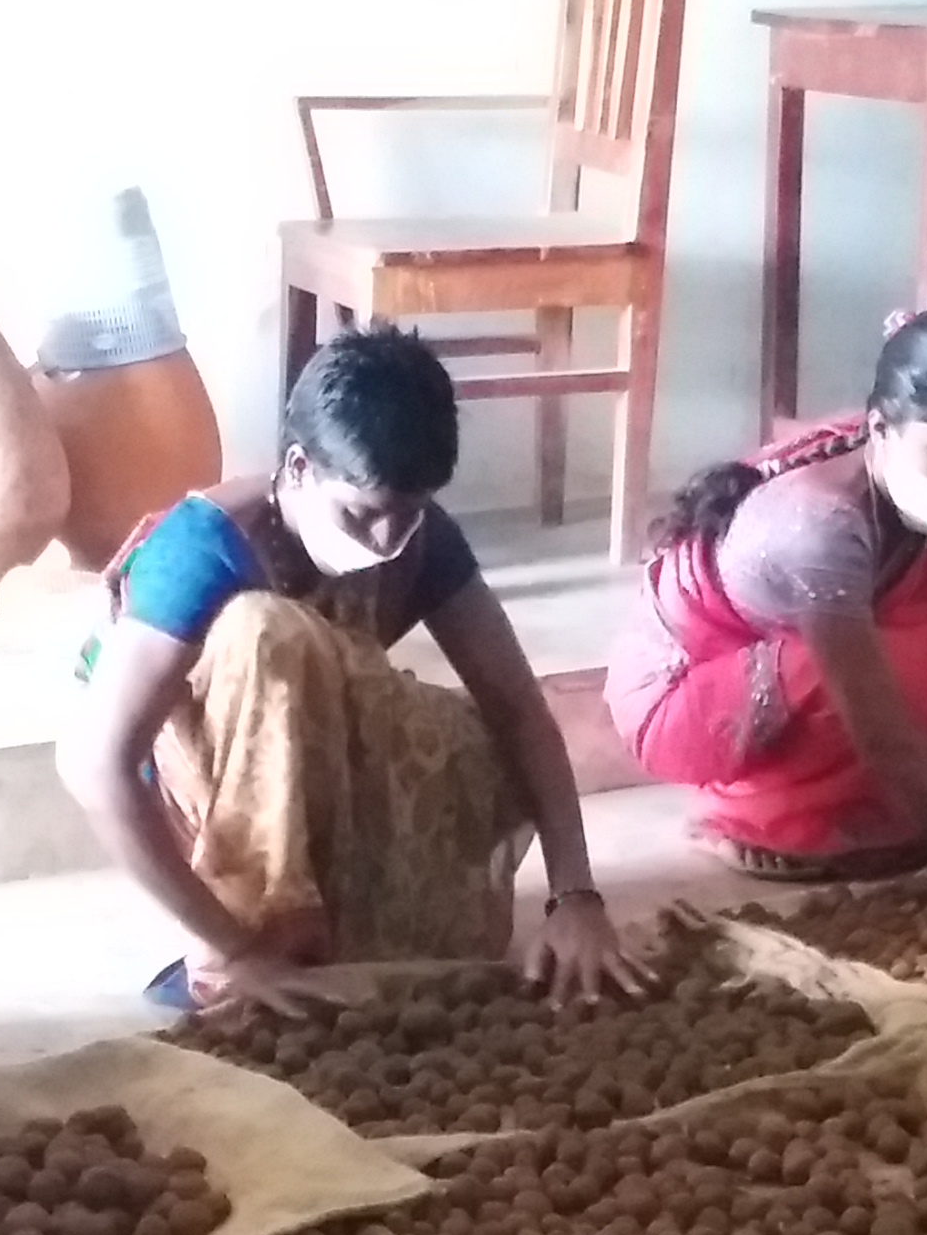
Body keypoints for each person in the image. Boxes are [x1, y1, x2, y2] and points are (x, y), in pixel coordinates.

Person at [63, 325, 647, 1011]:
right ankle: (255, 947)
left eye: (409, 513)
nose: (387, 539)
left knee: (479, 744)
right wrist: (237, 948)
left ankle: (347, 932)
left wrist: (575, 895)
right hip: (199, 775)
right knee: (269, 634)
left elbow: (517, 707)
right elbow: (94, 764)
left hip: (311, 754)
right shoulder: (202, 550)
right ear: (300, 468)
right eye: (363, 515)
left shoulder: (418, 537)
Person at [607, 308, 927, 907]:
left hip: (821, 657)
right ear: (880, 430)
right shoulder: (819, 525)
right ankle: (759, 818)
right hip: (690, 697)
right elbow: (882, 731)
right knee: (895, 655)